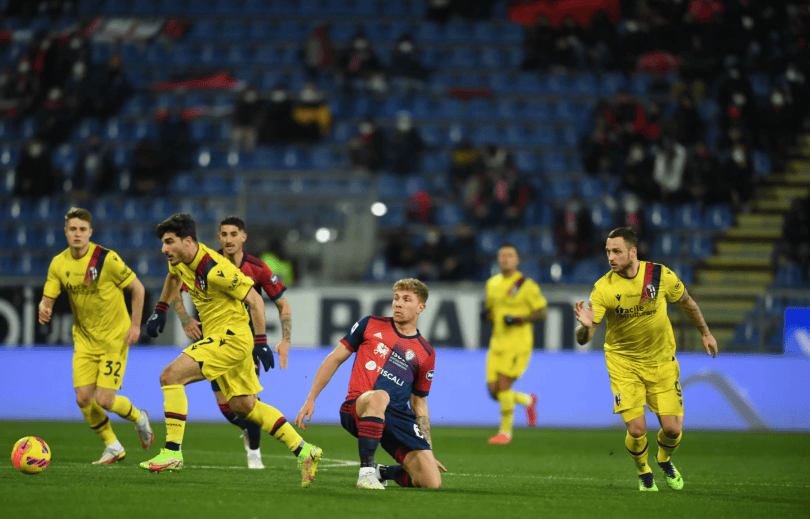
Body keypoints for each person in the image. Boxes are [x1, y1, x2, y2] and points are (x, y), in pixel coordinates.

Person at [141, 214, 321, 487]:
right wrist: (161, 310)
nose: (164, 249)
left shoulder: (215, 268)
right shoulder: (179, 261)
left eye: (169, 242)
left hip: (231, 337)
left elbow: (255, 300)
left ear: (188, 241)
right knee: (244, 405)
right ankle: (304, 450)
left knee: (170, 376)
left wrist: (260, 342)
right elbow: (173, 278)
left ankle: (172, 452)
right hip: (222, 337)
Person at [574, 226, 718, 492]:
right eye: (608, 251)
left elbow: (687, 302)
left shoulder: (659, 276)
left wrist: (706, 333)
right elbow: (584, 337)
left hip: (661, 361)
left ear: (633, 251)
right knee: (638, 429)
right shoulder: (603, 288)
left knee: (673, 430)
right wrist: (584, 326)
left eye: (617, 251)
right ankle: (644, 472)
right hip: (623, 364)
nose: (611, 257)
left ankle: (663, 460)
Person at [295, 279, 446, 489]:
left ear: (421, 307)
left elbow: (419, 403)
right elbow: (334, 359)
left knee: (431, 482)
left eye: (406, 299)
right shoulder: (370, 324)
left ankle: (381, 472)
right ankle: (365, 474)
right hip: (359, 407)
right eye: (396, 298)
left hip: (397, 419)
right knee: (380, 396)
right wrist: (311, 398)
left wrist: (427, 450)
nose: (398, 304)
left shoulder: (426, 353)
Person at [169, 216, 292, 469]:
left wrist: (285, 340)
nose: (228, 240)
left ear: (243, 237)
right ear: (218, 238)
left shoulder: (257, 268)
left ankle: (254, 455)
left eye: (233, 234)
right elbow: (174, 290)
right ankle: (250, 432)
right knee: (228, 407)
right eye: (223, 234)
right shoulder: (205, 262)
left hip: (245, 342)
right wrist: (184, 319)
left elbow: (282, 303)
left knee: (247, 404)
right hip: (213, 341)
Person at [38, 207, 154, 464]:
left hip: (115, 337)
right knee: (83, 398)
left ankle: (139, 418)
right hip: (84, 339)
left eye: (82, 230)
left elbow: (138, 289)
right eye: (73, 229)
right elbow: (48, 297)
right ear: (65, 232)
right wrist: (44, 308)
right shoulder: (59, 263)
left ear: (90, 232)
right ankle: (113, 446)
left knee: (104, 400)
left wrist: (136, 326)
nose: (77, 234)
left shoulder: (106, 259)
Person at [483, 244, 547, 445]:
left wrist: (520, 319)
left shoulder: (526, 285)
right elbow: (492, 311)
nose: (505, 259)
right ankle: (528, 400)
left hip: (518, 344)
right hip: (497, 343)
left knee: (503, 385)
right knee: (494, 392)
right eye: (502, 255)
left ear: (517, 260)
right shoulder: (492, 283)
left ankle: (505, 432)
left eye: (510, 255)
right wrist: (487, 316)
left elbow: (542, 312)